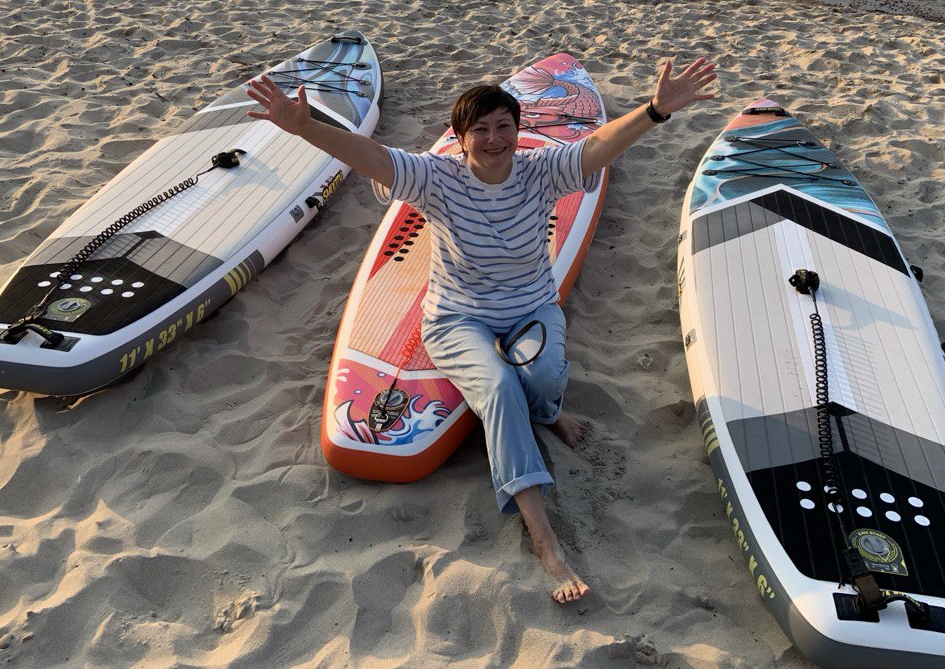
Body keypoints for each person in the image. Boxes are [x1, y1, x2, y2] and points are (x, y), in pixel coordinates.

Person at [246, 56, 716, 603]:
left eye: (504, 127)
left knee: (544, 377)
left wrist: (655, 110)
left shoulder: (540, 170)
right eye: (481, 130)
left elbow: (596, 148)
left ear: (518, 130)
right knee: (497, 388)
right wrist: (306, 127)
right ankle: (544, 538)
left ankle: (548, 411)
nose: (494, 139)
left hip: (531, 306)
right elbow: (370, 156)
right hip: (457, 318)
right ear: (461, 137)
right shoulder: (435, 177)